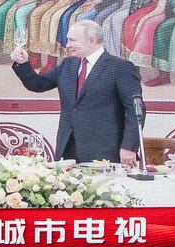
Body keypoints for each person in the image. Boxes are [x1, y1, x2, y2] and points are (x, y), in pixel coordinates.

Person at [10, 20, 143, 164]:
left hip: (105, 151)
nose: (67, 45)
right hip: (69, 149)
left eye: (72, 40)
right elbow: (38, 84)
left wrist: (129, 147)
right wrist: (23, 64)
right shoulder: (68, 64)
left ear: (91, 40)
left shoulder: (120, 67)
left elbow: (134, 109)